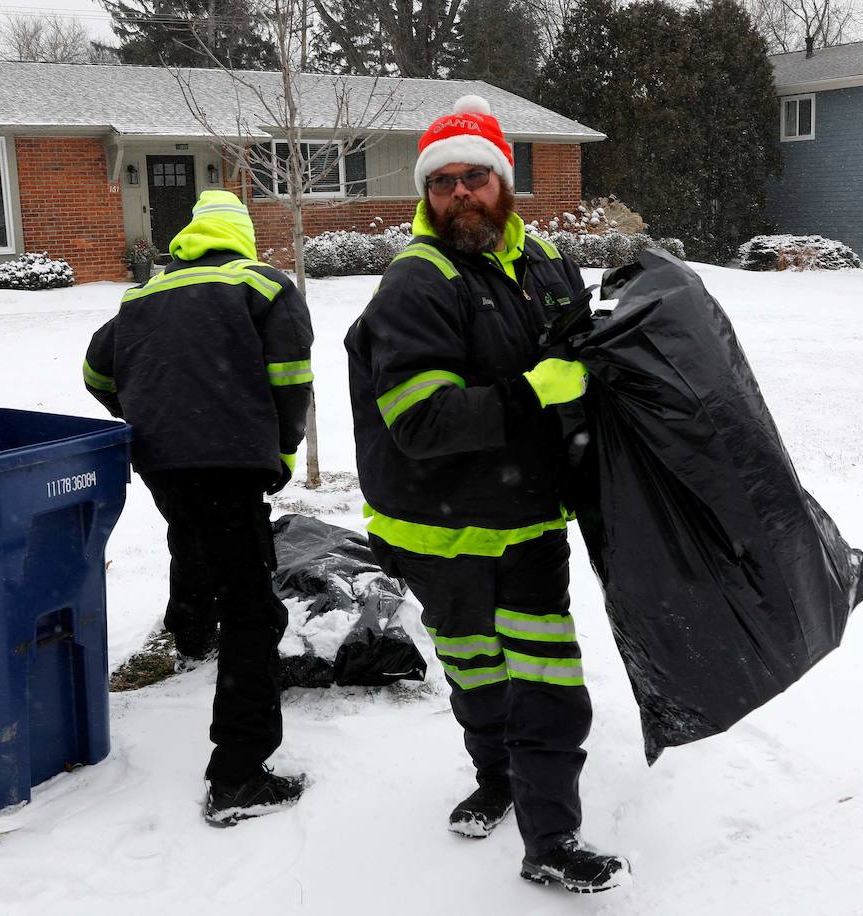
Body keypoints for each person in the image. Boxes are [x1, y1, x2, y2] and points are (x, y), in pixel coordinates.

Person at [344, 96, 631, 893]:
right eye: (442, 183)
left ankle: (552, 838)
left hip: (529, 518)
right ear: (426, 195)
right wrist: (533, 392)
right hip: (438, 530)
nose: (459, 194)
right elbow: (420, 418)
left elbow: (581, 357)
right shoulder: (417, 281)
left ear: (504, 183)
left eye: (475, 178)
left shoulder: (544, 264)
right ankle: (496, 776)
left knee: (547, 678)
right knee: (475, 672)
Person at [83, 190, 314, 827]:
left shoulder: (142, 296)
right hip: (232, 459)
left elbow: (95, 372)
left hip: (162, 462)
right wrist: (282, 452)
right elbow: (291, 379)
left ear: (191, 237)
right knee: (253, 609)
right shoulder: (261, 287)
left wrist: (147, 416)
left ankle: (190, 636)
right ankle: (239, 773)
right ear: (240, 237)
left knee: (190, 539)